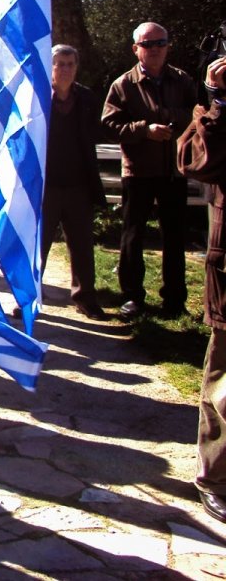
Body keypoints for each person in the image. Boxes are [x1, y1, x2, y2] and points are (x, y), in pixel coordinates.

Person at [102, 22, 199, 319]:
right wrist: (145, 130)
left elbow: (198, 116)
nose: (155, 49)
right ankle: (132, 297)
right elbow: (109, 125)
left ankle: (174, 299)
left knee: (174, 236)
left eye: (160, 43)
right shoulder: (123, 85)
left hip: (173, 171)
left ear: (168, 46)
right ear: (136, 49)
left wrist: (169, 119)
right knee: (133, 235)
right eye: (148, 44)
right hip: (139, 172)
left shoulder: (182, 81)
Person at [177, 55, 226, 525]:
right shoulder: (213, 114)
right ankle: (215, 476)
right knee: (225, 383)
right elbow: (195, 162)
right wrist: (217, 102)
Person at [42, 45, 108, 320]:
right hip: (45, 186)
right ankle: (28, 298)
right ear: (51, 66)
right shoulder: (38, 96)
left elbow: (98, 130)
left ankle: (85, 298)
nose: (65, 69)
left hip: (79, 183)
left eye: (70, 63)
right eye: (59, 63)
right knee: (39, 245)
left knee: (82, 244)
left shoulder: (87, 98)